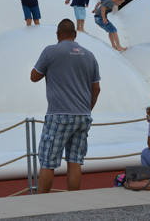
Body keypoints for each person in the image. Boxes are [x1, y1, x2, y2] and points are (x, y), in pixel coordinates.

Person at [30, 19, 101, 193]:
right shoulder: (89, 55)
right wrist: (87, 109)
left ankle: (41, 203)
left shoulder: (51, 51)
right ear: (75, 35)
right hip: (83, 115)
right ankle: (73, 202)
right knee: (75, 160)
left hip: (59, 114)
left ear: (57, 35)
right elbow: (96, 88)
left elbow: (34, 77)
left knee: (48, 161)